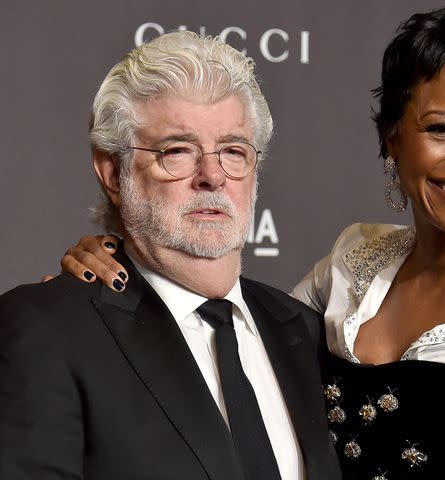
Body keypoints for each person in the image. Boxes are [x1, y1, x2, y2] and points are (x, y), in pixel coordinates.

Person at [53, 6, 445, 480]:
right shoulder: (352, 264)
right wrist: (121, 260)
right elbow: (237, 340)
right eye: (441, 128)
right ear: (392, 140)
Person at [0, 31, 340, 480]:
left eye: (233, 151)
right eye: (177, 151)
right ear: (112, 173)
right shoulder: (44, 331)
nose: (213, 176)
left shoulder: (308, 334)